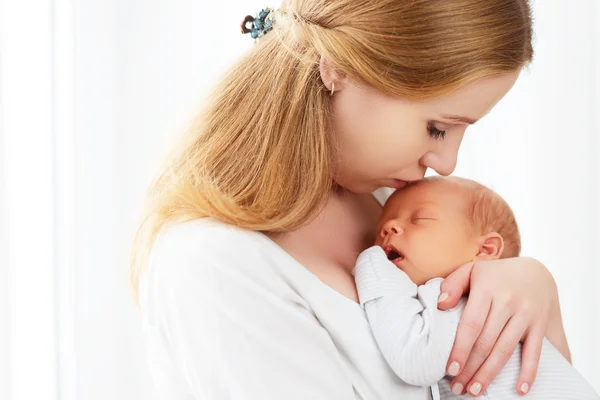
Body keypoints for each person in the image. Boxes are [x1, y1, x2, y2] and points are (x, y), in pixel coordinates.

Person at [131, 1, 572, 399]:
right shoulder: (218, 267)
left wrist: (538, 295)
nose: (447, 162)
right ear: (339, 68)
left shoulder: (391, 203)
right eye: (437, 127)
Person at [354, 176, 599, 399]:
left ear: (485, 250)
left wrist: (370, 264)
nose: (390, 227)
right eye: (380, 229)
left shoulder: (455, 298)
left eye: (419, 219)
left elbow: (416, 361)